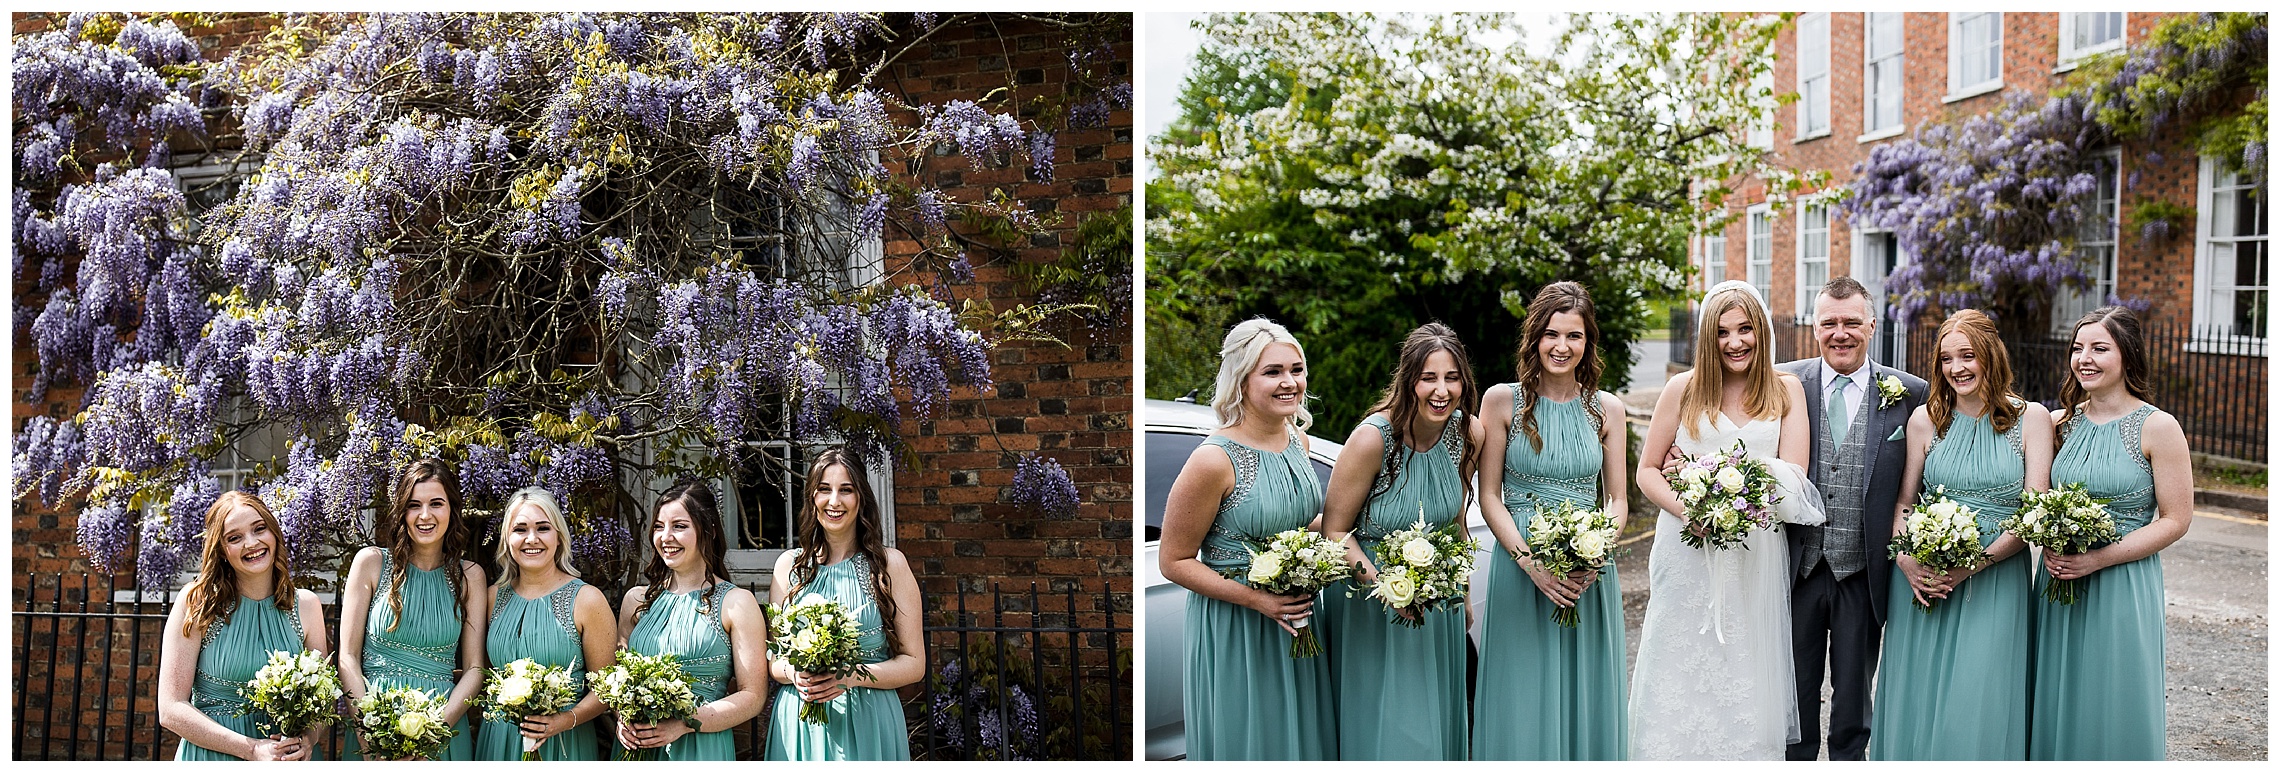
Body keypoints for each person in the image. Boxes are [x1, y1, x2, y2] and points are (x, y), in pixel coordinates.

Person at [1629, 279, 1822, 760]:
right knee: (1680, 661)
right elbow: (1647, 471)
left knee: (1744, 667)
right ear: (1706, 339)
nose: (1735, 342)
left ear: (1761, 331)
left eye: (1745, 329)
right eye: (1722, 332)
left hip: (1754, 552)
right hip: (1686, 549)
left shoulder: (1786, 390)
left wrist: (1727, 487)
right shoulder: (1683, 388)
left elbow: (1795, 477)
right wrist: (1690, 508)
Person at [1870, 310, 2051, 760]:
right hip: (1924, 582)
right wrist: (1907, 560)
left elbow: (2034, 514)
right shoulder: (1925, 420)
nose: (1957, 368)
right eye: (1947, 359)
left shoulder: (2032, 420)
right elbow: (1905, 504)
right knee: (1919, 692)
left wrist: (1975, 564)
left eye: (1968, 355)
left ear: (1991, 355)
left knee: (1980, 696)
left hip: (1993, 581)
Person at [1158, 318, 1336, 760]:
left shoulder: (1298, 441)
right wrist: (1258, 600)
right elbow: (1174, 560)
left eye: (1296, 369)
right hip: (1238, 626)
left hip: (1298, 616)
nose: (1289, 382)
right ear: (1242, 379)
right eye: (1272, 372)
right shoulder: (1213, 461)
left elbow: (1295, 521)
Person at [1472, 282, 1630, 760]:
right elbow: (1490, 496)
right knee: (1523, 688)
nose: (1562, 347)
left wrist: (1595, 550)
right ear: (1535, 338)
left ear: (1588, 343)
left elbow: (1619, 499)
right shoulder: (1502, 401)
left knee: (1584, 687)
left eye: (1574, 336)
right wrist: (1529, 563)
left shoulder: (1608, 408)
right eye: (1551, 334)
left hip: (1588, 573)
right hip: (1522, 570)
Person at [1772, 276, 1928, 760]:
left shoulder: (1909, 393)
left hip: (1863, 569)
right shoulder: (1784, 382)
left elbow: (1931, 471)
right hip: (1796, 566)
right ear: (1814, 327)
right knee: (1790, 694)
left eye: (1852, 323)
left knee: (1854, 699)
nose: (1841, 333)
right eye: (1829, 323)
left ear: (1873, 325)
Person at [2030, 306, 2192, 760]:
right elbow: (2033, 498)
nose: (2085, 358)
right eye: (2078, 348)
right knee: (2058, 695)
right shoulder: (2060, 423)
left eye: (2100, 348)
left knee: (2114, 696)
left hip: (2121, 584)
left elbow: (2176, 518)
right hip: (2058, 583)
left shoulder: (2158, 427)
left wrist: (2100, 557)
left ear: (2128, 356)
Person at [1319, 322, 1480, 760]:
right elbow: (1335, 531)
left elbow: (1458, 523)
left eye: (1451, 378)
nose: (1441, 390)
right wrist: (1385, 587)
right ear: (1408, 380)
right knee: (1393, 726)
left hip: (1438, 601)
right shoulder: (1373, 439)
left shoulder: (1468, 434)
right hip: (1369, 599)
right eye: (1429, 378)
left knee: (1435, 722)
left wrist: (1463, 593)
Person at [764, 448, 925, 760]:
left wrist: (849, 676)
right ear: (812, 497)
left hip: (868, 718)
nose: (834, 501)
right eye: (824, 490)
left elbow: (914, 664)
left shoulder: (889, 565)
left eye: (846, 490)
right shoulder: (789, 566)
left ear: (861, 498)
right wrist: (795, 673)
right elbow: (775, 661)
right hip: (799, 718)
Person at [158, 491, 330, 761]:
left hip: (287, 758)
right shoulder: (199, 602)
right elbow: (170, 709)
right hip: (215, 755)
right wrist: (251, 749)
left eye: (259, 529)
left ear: (274, 534)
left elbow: (324, 701)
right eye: (234, 538)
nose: (252, 543)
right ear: (222, 552)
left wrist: (308, 740)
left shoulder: (306, 606)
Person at [338, 459, 488, 760]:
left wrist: (432, 733)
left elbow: (474, 669)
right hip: (374, 725)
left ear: (452, 510)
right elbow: (348, 657)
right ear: (402, 512)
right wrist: (371, 737)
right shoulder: (371, 563)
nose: (425, 515)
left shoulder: (470, 576)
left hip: (441, 729)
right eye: (414, 505)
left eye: (436, 503)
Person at [614, 481, 769, 760]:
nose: (666, 537)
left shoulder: (736, 603)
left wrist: (686, 722)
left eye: (679, 526)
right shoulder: (636, 601)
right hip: (639, 746)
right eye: (659, 527)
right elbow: (618, 680)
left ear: (707, 530)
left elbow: (753, 696)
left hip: (701, 747)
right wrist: (621, 717)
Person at [476, 488, 617, 760]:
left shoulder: (587, 600)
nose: (532, 539)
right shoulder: (492, 598)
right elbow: (482, 674)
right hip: (500, 738)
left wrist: (566, 719)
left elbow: (606, 690)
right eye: (520, 529)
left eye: (543, 528)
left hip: (564, 740)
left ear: (559, 537)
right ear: (507, 538)